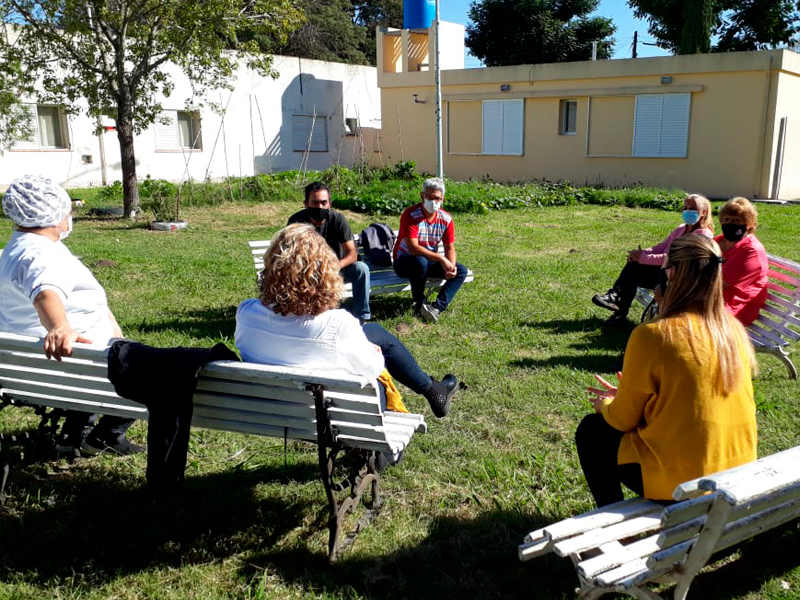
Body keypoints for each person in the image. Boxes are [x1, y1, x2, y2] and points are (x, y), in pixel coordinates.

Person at [576, 235, 757, 507]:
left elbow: (622, 420)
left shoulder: (652, 335)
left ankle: (609, 517)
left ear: (671, 275)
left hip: (685, 487)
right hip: (735, 476)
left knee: (592, 431)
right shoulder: (733, 331)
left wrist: (607, 403)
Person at [235, 224, 458, 424]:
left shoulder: (247, 312)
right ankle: (431, 392)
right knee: (376, 345)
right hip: (334, 410)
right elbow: (372, 368)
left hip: (276, 411)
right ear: (323, 271)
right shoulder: (338, 324)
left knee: (373, 331)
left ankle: (434, 390)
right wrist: (372, 352)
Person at [0, 174, 143, 457]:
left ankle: (73, 436)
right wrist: (60, 326)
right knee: (150, 370)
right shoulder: (41, 254)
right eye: (67, 212)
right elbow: (45, 293)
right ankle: (106, 437)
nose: (70, 217)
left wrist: (110, 324)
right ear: (54, 216)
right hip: (69, 366)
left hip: (30, 369)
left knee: (94, 360)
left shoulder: (16, 248)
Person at [592, 194, 714, 327]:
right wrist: (641, 253)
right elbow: (661, 247)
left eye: (692, 208)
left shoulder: (702, 235)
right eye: (685, 208)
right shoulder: (681, 228)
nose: (688, 211)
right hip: (665, 272)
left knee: (634, 269)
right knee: (634, 266)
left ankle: (616, 304)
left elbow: (672, 258)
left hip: (678, 278)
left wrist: (642, 258)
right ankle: (616, 303)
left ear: (703, 212)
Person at [287, 181, 371, 323]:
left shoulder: (337, 220)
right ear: (306, 204)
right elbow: (291, 255)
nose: (320, 207)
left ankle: (362, 316)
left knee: (361, 269)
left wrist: (334, 266)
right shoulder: (296, 221)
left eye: (324, 202)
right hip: (307, 272)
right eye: (315, 203)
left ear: (330, 204)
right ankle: (305, 315)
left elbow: (352, 253)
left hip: (334, 269)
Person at [393, 177, 469, 323]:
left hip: (428, 261)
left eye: (437, 198)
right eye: (429, 197)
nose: (433, 202)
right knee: (420, 261)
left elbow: (449, 248)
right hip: (404, 261)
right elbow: (413, 249)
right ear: (422, 196)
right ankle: (419, 303)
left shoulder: (446, 219)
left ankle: (436, 308)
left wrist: (451, 266)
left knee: (461, 271)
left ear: (442, 199)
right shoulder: (410, 215)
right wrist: (441, 259)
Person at [713, 197, 768, 326]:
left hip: (735, 307)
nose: (730, 223)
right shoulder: (718, 241)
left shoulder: (751, 250)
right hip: (713, 299)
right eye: (726, 219)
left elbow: (720, 283)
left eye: (736, 220)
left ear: (749, 224)